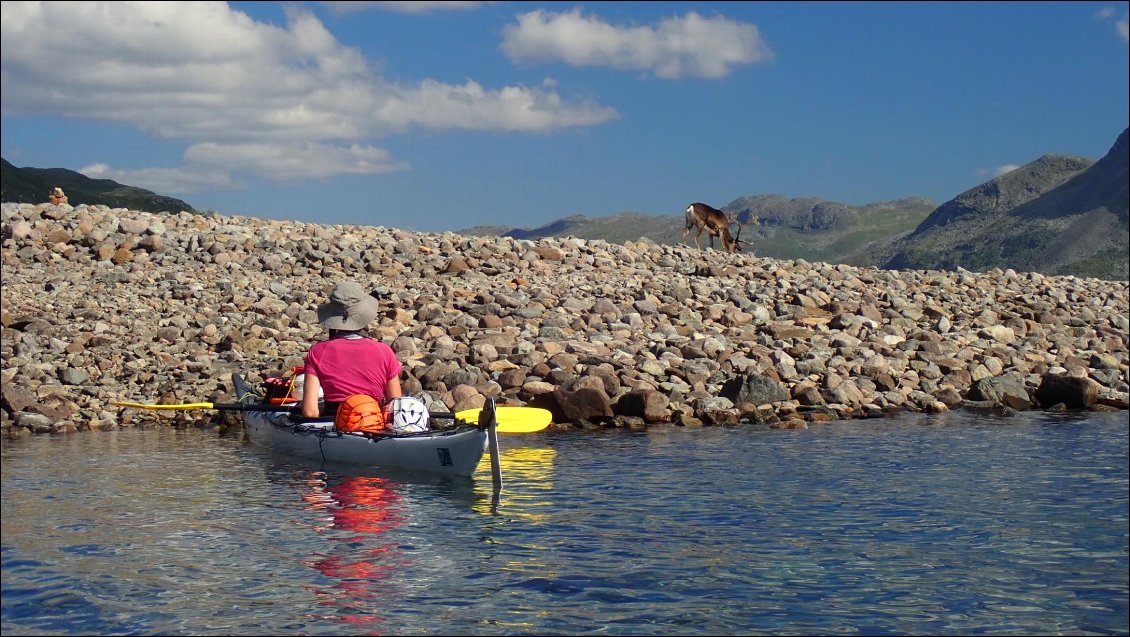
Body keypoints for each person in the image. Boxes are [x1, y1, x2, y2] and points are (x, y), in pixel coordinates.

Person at [301, 281, 402, 419]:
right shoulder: (384, 352)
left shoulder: (317, 352)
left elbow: (310, 412)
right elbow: (395, 407)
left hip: (332, 424)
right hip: (372, 424)